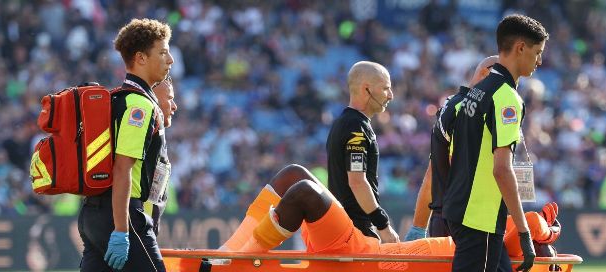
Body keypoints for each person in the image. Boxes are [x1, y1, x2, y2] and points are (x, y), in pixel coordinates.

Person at [219, 164, 560, 260]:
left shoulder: (505, 252)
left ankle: (238, 260)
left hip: (359, 261)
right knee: (295, 175)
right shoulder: (484, 243)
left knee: (304, 191)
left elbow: (529, 224)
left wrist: (545, 231)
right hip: (361, 251)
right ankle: (227, 254)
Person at [443, 14, 548, 272]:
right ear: (520, 48)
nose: (540, 61)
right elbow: (501, 169)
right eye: (537, 52)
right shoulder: (507, 98)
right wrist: (524, 232)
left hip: (461, 208)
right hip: (481, 217)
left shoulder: (476, 91)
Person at [77, 18, 175, 272]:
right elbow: (123, 169)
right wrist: (122, 231)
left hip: (91, 214)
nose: (170, 60)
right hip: (121, 215)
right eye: (163, 52)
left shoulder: (114, 99)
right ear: (141, 58)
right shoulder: (139, 106)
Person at [406, 55, 500, 241]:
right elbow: (444, 172)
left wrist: (418, 226)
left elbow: (432, 175)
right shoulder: (467, 111)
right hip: (464, 220)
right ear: (485, 74)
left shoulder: (454, 104)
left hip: (451, 218)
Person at [326, 61, 398, 243]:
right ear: (367, 89)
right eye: (385, 88)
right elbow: (357, 181)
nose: (391, 95)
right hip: (356, 229)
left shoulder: (347, 122)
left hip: (347, 227)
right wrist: (383, 225)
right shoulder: (355, 127)